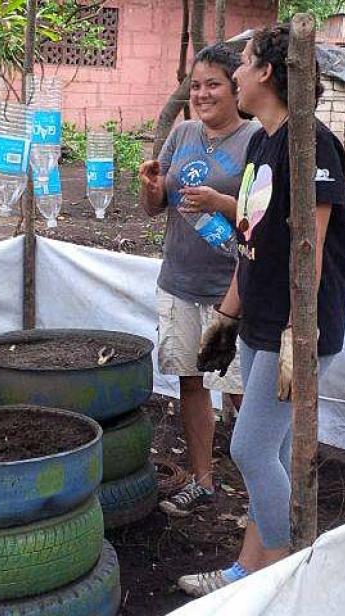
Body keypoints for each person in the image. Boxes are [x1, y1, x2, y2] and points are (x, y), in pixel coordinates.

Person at [176, 23, 345, 597]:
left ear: (267, 73)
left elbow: (314, 248)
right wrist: (226, 317)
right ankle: (245, 571)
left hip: (294, 328)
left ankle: (286, 575)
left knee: (249, 449)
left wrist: (298, 338)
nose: (237, 73)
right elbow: (251, 241)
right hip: (258, 320)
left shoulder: (313, 143)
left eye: (245, 63)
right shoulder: (260, 141)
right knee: (268, 454)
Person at [138, 44, 258, 517]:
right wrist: (151, 188)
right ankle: (203, 480)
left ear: (236, 88)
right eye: (196, 85)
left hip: (232, 291)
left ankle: (258, 496)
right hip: (179, 283)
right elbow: (154, 208)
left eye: (213, 84)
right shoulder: (183, 132)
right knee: (191, 382)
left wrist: (221, 204)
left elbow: (267, 217)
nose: (202, 94)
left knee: (241, 391)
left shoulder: (255, 140)